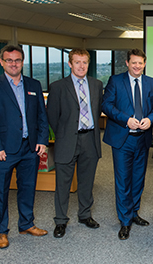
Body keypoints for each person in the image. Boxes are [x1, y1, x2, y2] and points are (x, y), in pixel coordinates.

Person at [0, 45, 49, 248]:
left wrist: (42, 140)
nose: (13, 64)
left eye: (17, 60)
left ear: (22, 62)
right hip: (4, 150)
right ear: (1, 62)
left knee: (27, 188)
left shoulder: (34, 85)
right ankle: (0, 231)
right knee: (0, 191)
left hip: (30, 148)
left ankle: (26, 224)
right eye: (9, 60)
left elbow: (41, 117)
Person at [102, 48, 153, 240]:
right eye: (134, 62)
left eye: (141, 63)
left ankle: (134, 212)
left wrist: (150, 119)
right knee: (123, 180)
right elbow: (106, 105)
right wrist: (125, 119)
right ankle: (125, 220)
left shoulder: (151, 83)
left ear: (145, 64)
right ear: (127, 63)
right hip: (123, 138)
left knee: (138, 179)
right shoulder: (115, 81)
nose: (137, 66)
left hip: (143, 138)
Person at [47, 48, 103, 238]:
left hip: (90, 139)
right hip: (67, 140)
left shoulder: (97, 85)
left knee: (86, 182)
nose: (81, 66)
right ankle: (61, 221)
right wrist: (65, 133)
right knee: (62, 184)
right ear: (70, 64)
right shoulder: (58, 87)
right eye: (77, 62)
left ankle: (85, 215)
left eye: (85, 62)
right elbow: (53, 117)